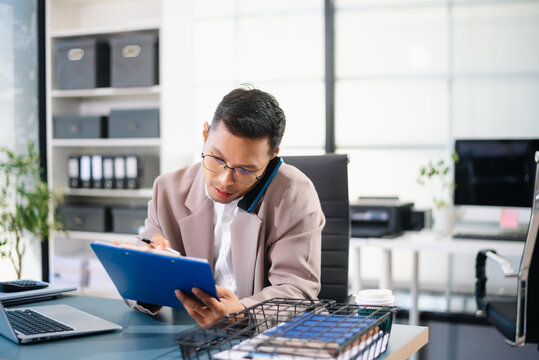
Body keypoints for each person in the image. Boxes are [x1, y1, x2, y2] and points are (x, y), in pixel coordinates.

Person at [125, 88, 325, 326]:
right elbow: (139, 287)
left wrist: (242, 313)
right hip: (188, 334)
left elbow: (297, 290)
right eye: (217, 159)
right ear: (204, 135)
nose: (224, 180)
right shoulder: (168, 190)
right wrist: (143, 274)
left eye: (245, 170)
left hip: (261, 335)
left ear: (272, 158)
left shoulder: (294, 193)